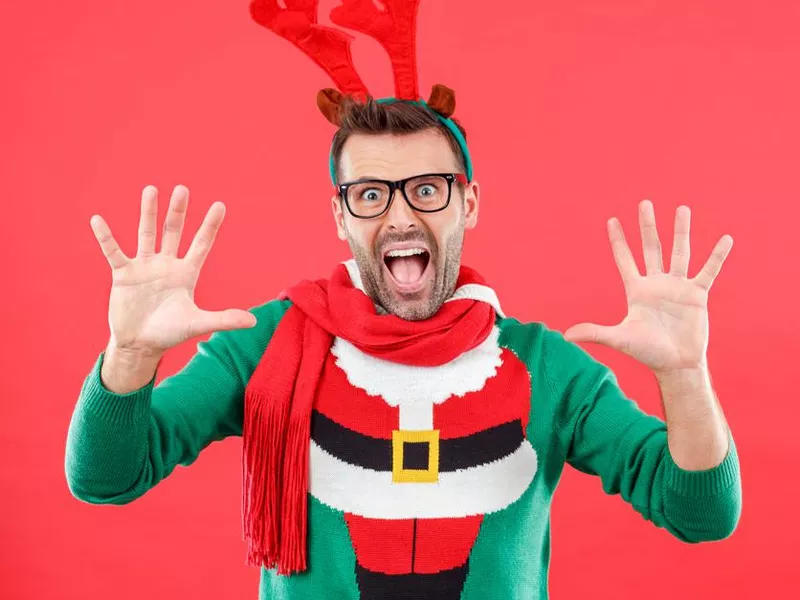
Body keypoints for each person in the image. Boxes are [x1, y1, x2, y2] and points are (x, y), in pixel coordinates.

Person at [64, 1, 742, 599]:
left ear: (468, 201)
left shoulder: (550, 369)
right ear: (340, 216)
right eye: (370, 194)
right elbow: (106, 478)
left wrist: (684, 379)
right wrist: (129, 355)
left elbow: (701, 515)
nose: (398, 217)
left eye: (427, 189)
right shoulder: (262, 347)